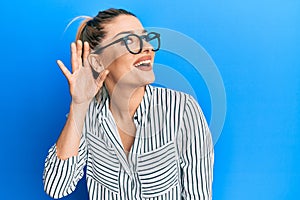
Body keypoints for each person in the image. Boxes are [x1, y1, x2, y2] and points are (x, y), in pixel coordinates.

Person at [43, 8, 214, 200]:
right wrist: (79, 105)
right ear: (98, 62)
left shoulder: (182, 109)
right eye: (129, 41)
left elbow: (198, 195)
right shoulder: (86, 115)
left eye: (146, 38)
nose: (147, 48)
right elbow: (56, 187)